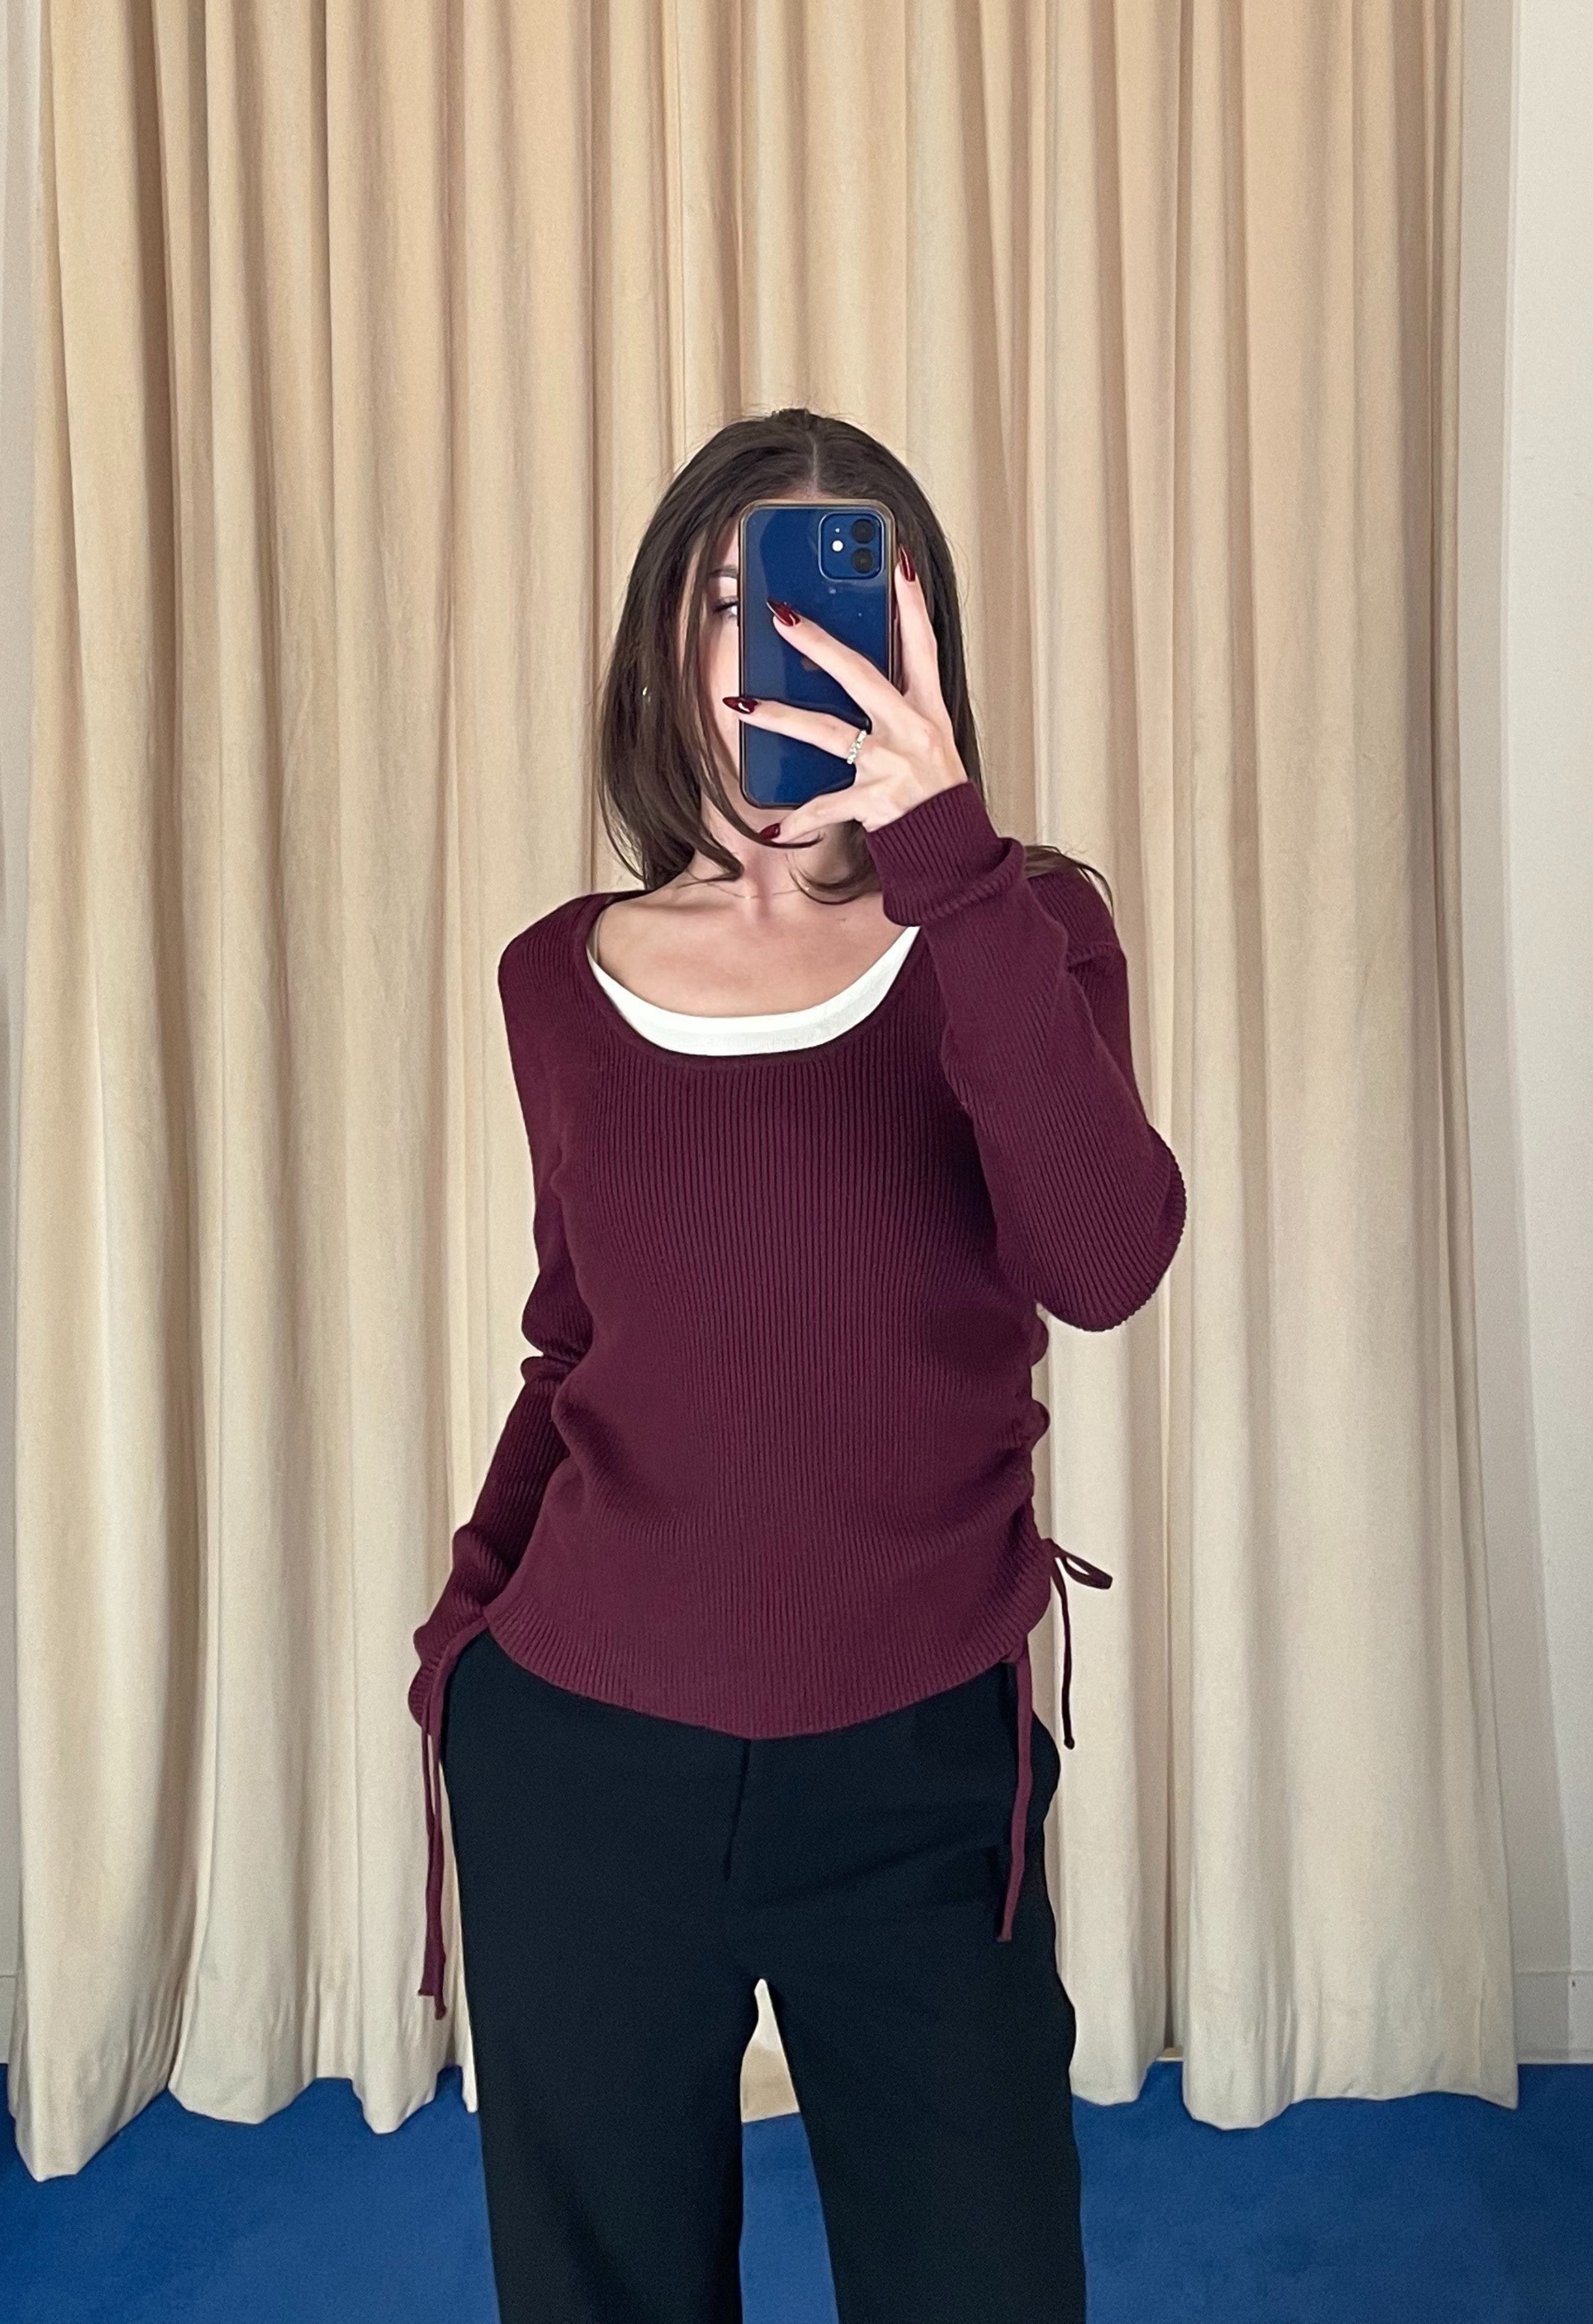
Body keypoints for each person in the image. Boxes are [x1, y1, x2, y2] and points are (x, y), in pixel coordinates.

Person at [408, 406, 1186, 2323]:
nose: (791, 645)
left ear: (923, 646)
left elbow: (1102, 1264)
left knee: (982, 2282)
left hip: (917, 1761)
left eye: (855, 601)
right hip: (585, 1755)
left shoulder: (1021, 926)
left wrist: (947, 861)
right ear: (667, 645)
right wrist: (462, 1651)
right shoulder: (556, 974)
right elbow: (574, 1343)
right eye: (736, 601)